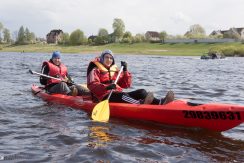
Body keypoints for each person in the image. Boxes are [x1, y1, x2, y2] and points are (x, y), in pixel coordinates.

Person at [87, 49, 174, 105]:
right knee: (122, 95)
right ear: (102, 58)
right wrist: (107, 87)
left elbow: (126, 84)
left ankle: (160, 102)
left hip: (116, 93)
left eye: (111, 58)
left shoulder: (115, 70)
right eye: (106, 57)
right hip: (103, 97)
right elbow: (92, 85)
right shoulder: (95, 70)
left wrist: (125, 71)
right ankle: (140, 104)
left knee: (142, 92)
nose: (109, 60)